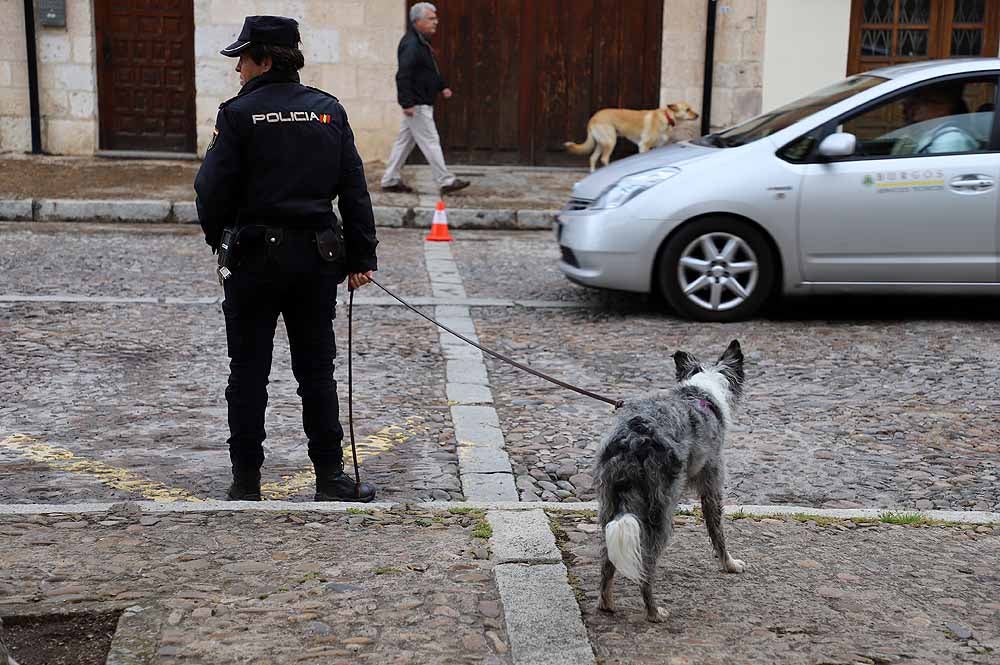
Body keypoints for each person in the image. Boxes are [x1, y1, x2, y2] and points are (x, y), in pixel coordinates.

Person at [194, 15, 379, 503]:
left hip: (252, 261)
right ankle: (330, 478)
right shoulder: (328, 111)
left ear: (263, 59)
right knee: (316, 373)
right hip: (315, 263)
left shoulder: (237, 114)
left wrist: (221, 240)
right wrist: (361, 257)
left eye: (242, 59)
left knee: (247, 373)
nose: (237, 70)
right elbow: (353, 189)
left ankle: (246, 483)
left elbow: (209, 190)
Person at [380, 2, 470, 195]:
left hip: (419, 102)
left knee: (404, 143)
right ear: (417, 21)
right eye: (431, 18)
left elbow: (429, 71)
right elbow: (403, 74)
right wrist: (407, 102)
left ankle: (390, 179)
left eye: (435, 18)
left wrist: (442, 86)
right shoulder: (412, 44)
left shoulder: (421, 42)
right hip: (417, 104)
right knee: (430, 140)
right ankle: (445, 180)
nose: (436, 22)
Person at [894, 84, 979, 155]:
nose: (916, 106)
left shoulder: (950, 139)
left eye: (925, 101)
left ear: (943, 108)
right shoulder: (930, 134)